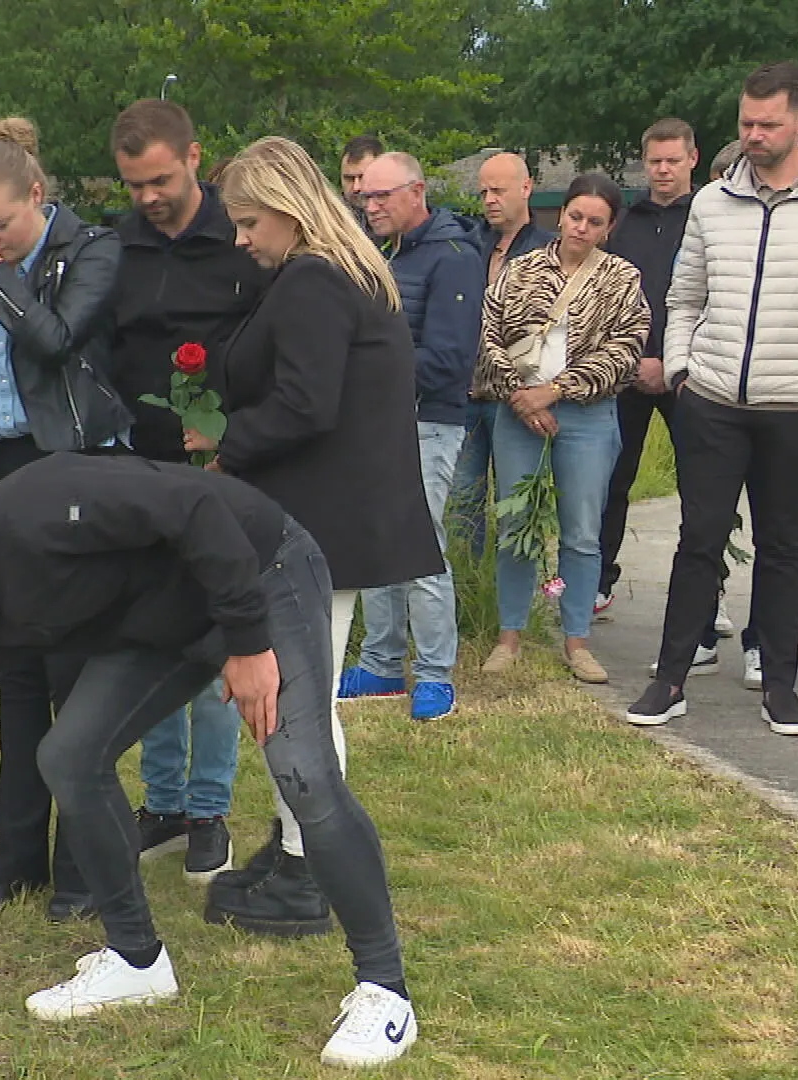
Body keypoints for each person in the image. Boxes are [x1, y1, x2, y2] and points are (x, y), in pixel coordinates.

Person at [0, 453, 418, 1067]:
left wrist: (246, 639)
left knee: (302, 773)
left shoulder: (35, 510)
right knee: (69, 755)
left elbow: (197, 508)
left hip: (259, 568)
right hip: (167, 621)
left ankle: (386, 992)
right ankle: (136, 960)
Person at [192, 135, 442, 937]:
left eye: (246, 222)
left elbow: (305, 404)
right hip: (345, 512)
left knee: (297, 698)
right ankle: (299, 843)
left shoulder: (312, 281)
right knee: (306, 691)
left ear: (284, 208)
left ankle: (310, 867)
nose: (240, 239)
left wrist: (225, 447)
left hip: (319, 519)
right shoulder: (348, 272)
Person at [625, 61, 798, 735]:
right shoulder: (714, 201)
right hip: (713, 399)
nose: (753, 134)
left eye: (767, 124)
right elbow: (684, 297)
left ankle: (779, 687)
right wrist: (684, 371)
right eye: (745, 122)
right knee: (699, 539)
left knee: (782, 544)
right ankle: (670, 678)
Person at [0, 117, 130, 919]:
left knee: (75, 679)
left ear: (37, 197)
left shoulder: (93, 251)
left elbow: (53, 340)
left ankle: (81, 873)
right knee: (14, 676)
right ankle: (16, 864)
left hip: (77, 472)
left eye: (0, 225)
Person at [107, 98, 266, 883]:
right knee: (154, 640)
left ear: (196, 157)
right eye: (134, 184)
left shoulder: (240, 244)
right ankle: (163, 801)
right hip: (138, 472)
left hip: (222, 473)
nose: (148, 197)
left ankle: (209, 809)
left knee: (215, 640)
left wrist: (238, 449)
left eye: (161, 179)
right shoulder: (117, 248)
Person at [474, 174, 648, 683]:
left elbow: (626, 347)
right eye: (576, 216)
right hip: (517, 409)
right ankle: (509, 636)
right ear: (561, 215)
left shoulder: (621, 279)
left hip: (587, 413)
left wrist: (558, 390)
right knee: (514, 525)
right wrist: (522, 397)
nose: (582, 228)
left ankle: (576, 641)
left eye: (595, 221)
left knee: (582, 531)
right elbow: (489, 332)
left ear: (609, 227)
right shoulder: (522, 270)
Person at [336, 151, 484, 721]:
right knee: (374, 538)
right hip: (377, 418)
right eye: (363, 198)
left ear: (417, 191)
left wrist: (367, 366)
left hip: (428, 419)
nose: (369, 207)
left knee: (420, 546)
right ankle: (379, 662)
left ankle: (433, 674)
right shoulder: (381, 252)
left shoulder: (452, 257)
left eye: (381, 197)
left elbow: (449, 357)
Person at [598, 119, 700, 612]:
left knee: (703, 486)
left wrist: (674, 362)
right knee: (613, 478)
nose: (663, 170)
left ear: (692, 160)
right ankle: (598, 580)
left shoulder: (709, 216)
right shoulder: (625, 222)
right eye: (655, 161)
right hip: (626, 372)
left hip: (689, 375)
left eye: (673, 160)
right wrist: (631, 358)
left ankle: (710, 590)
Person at [452, 152, 554, 566]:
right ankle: (470, 601)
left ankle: (512, 610)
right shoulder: (468, 244)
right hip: (466, 394)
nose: (490, 200)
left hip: (517, 398)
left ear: (526, 188)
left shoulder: (548, 250)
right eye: (483, 192)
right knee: (462, 505)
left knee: (516, 506)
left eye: (499, 190)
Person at [340, 134, 384, 229]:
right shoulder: (328, 219)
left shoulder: (398, 217)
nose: (356, 188)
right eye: (349, 179)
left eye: (362, 177)